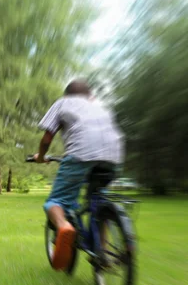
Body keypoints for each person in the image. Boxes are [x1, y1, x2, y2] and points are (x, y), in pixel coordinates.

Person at [33, 79, 125, 270]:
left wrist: (41, 157)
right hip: (113, 156)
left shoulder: (62, 103)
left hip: (81, 154)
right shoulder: (100, 107)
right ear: (90, 95)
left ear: (67, 95)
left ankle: (64, 226)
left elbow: (47, 137)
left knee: (56, 202)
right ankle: (102, 252)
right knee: (98, 201)